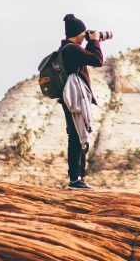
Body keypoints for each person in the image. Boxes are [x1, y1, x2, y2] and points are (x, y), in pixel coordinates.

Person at [59, 14, 103, 189]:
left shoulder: (68, 49)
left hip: (71, 97)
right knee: (77, 137)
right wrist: (95, 41)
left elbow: (89, 57)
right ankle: (75, 179)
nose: (85, 35)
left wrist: (92, 42)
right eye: (83, 33)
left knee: (78, 135)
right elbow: (97, 60)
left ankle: (78, 178)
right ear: (78, 33)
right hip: (75, 96)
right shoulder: (72, 49)